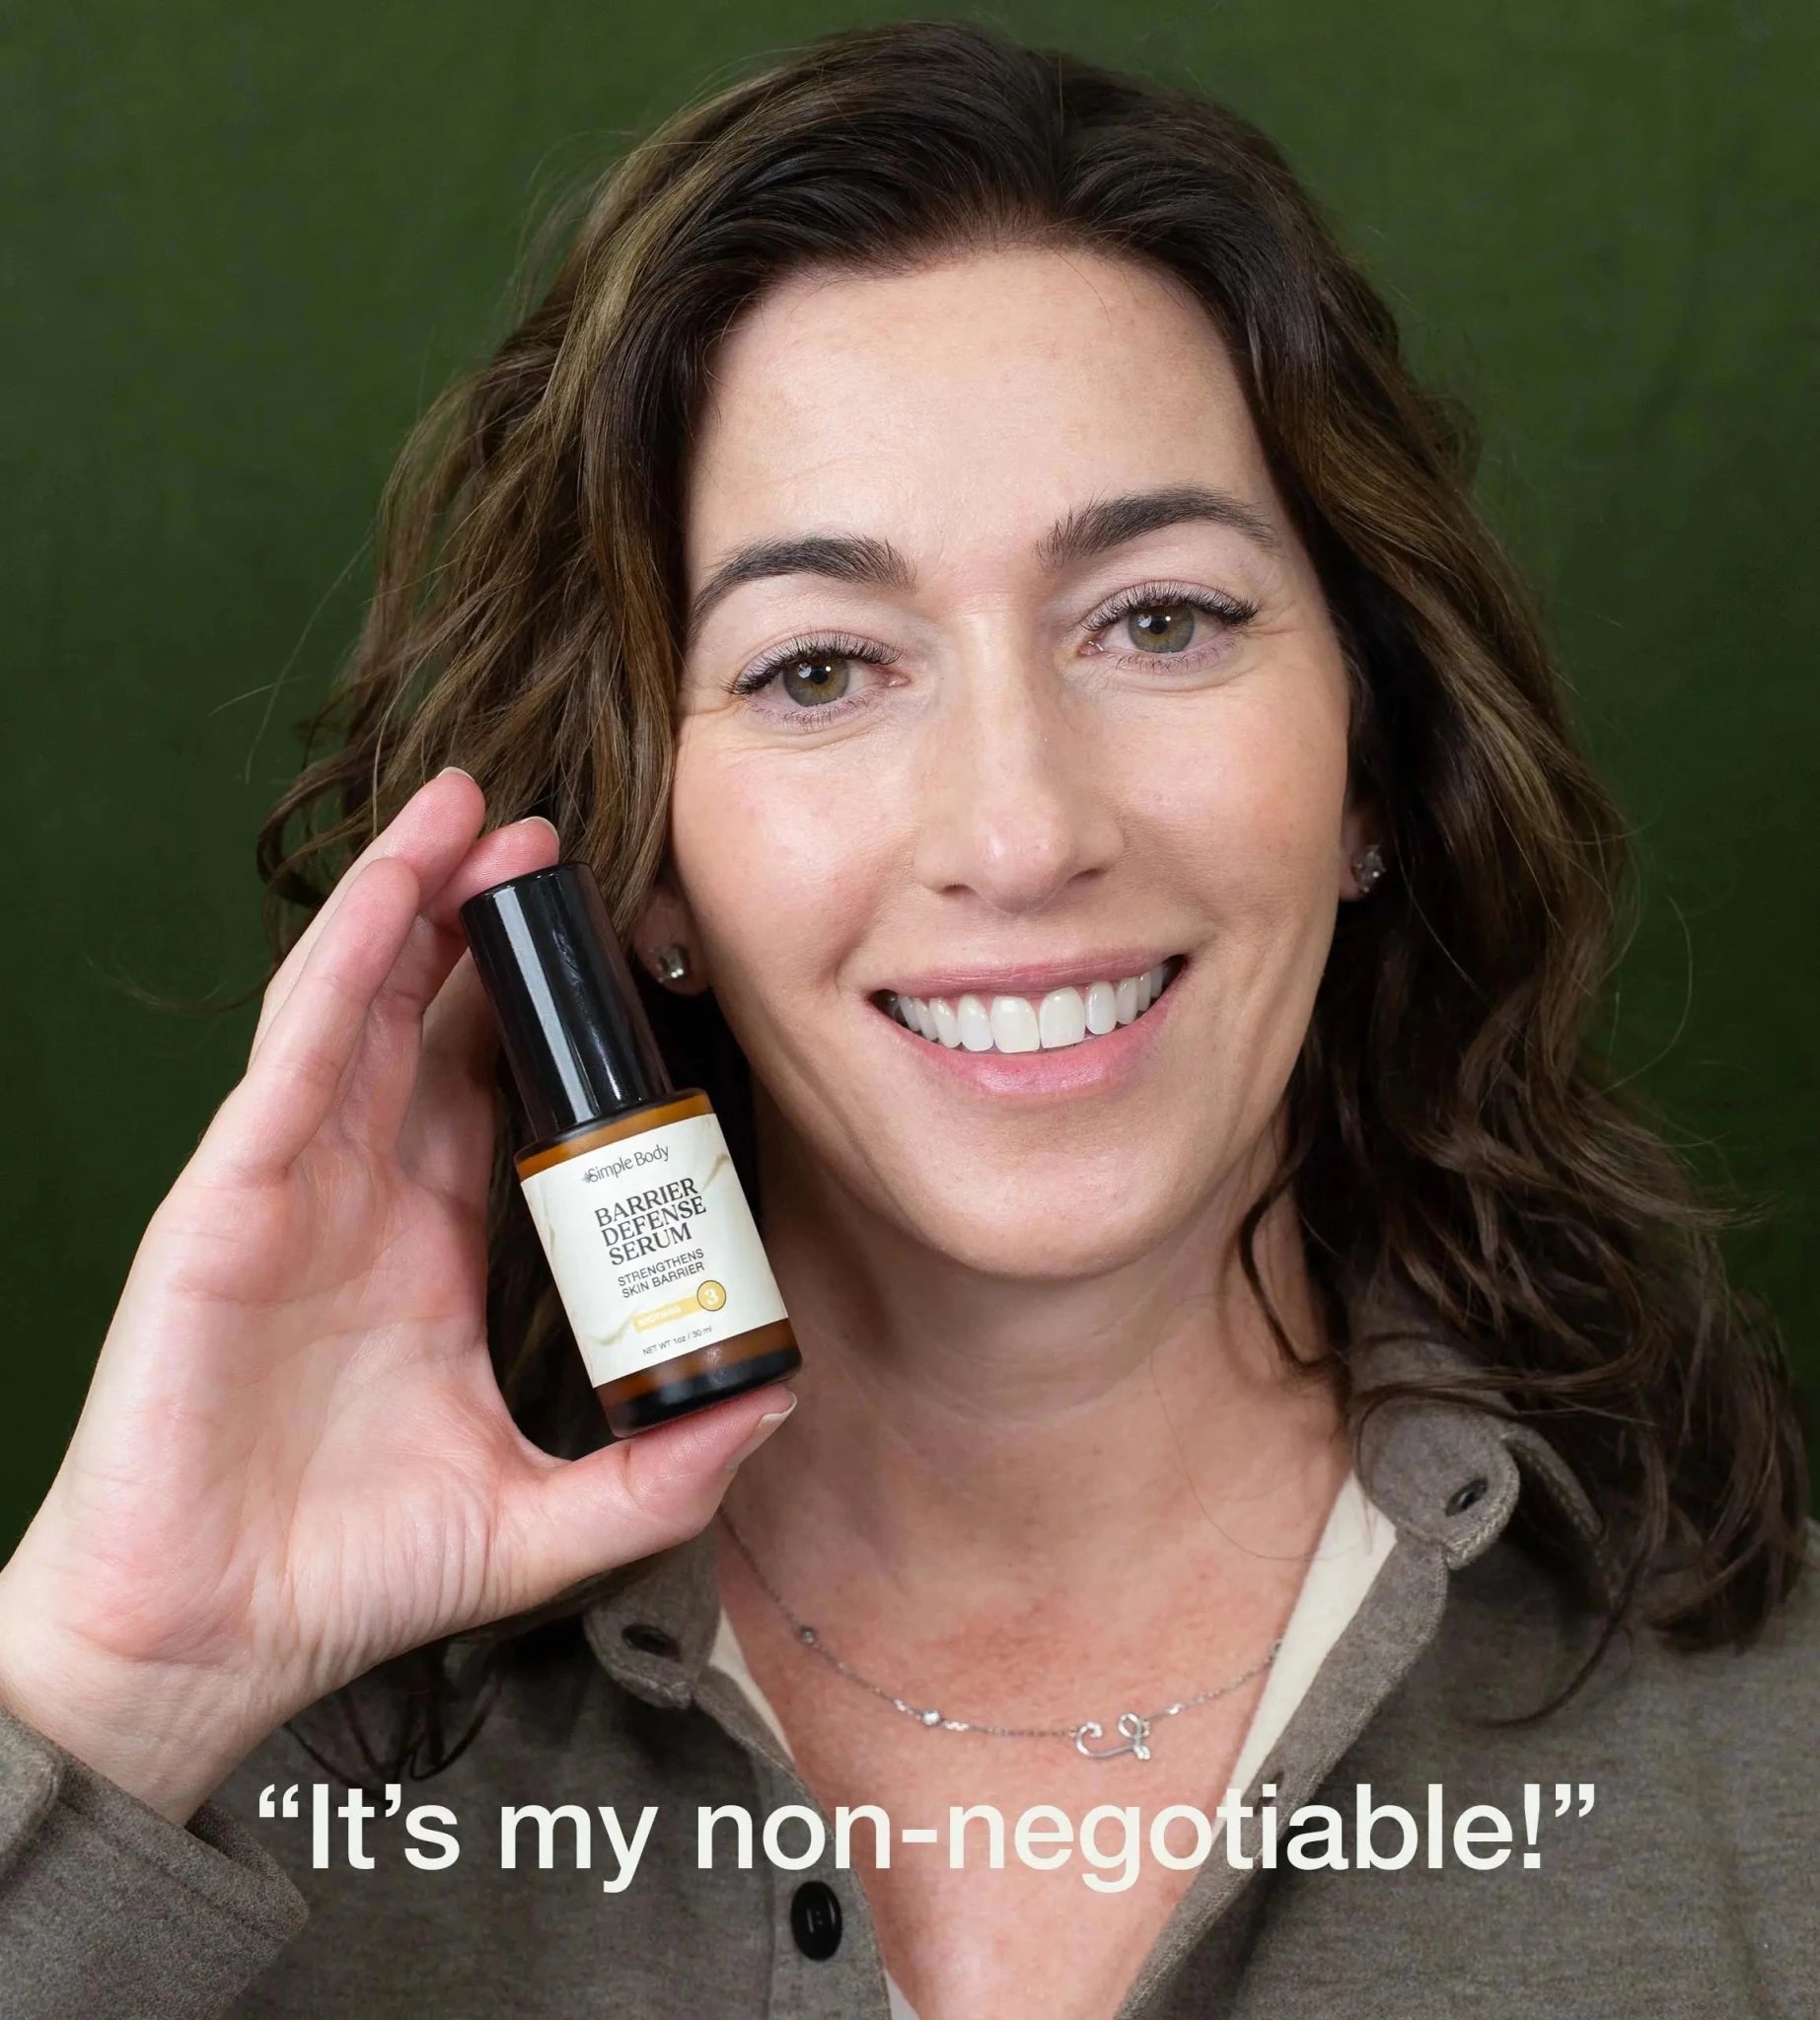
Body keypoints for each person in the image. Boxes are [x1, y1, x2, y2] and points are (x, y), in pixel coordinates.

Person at [0, 19, 1812, 2020]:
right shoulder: (229, 1783)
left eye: (1159, 618)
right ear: (652, 867)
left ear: (1370, 769)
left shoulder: (1774, 1737)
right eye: (817, 669)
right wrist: (104, 1686)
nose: (1020, 830)